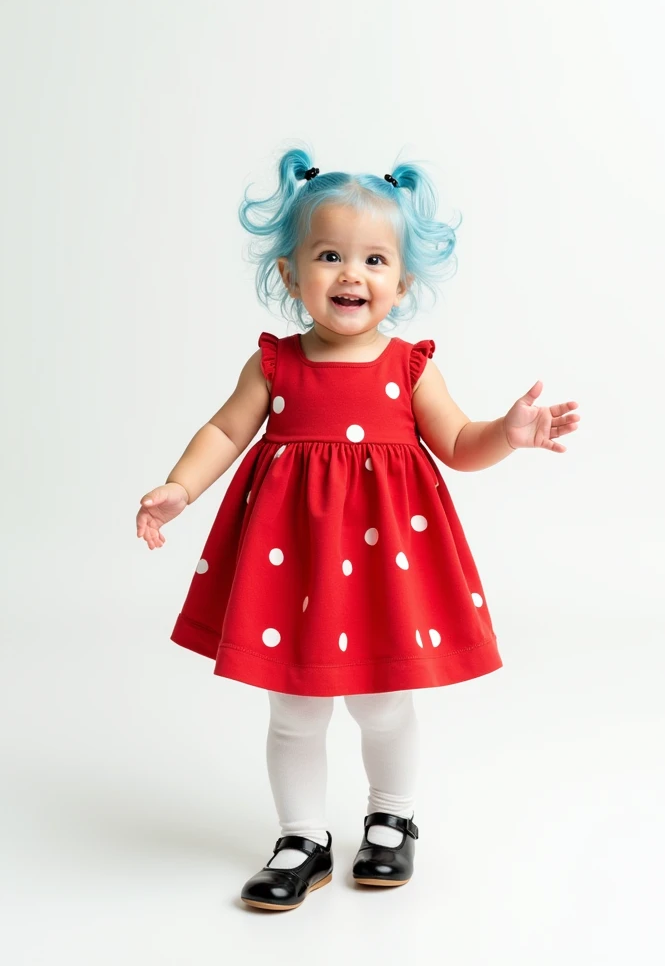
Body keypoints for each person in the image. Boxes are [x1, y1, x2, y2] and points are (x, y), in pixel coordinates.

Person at [136, 146, 580, 911]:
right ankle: (301, 837)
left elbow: (457, 444)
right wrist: (181, 485)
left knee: (381, 699)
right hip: (293, 563)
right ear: (289, 274)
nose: (352, 274)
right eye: (330, 255)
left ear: (402, 282)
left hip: (383, 565)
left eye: (374, 260)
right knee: (294, 705)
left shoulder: (409, 367)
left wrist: (508, 434)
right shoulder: (274, 366)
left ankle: (391, 819)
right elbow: (222, 431)